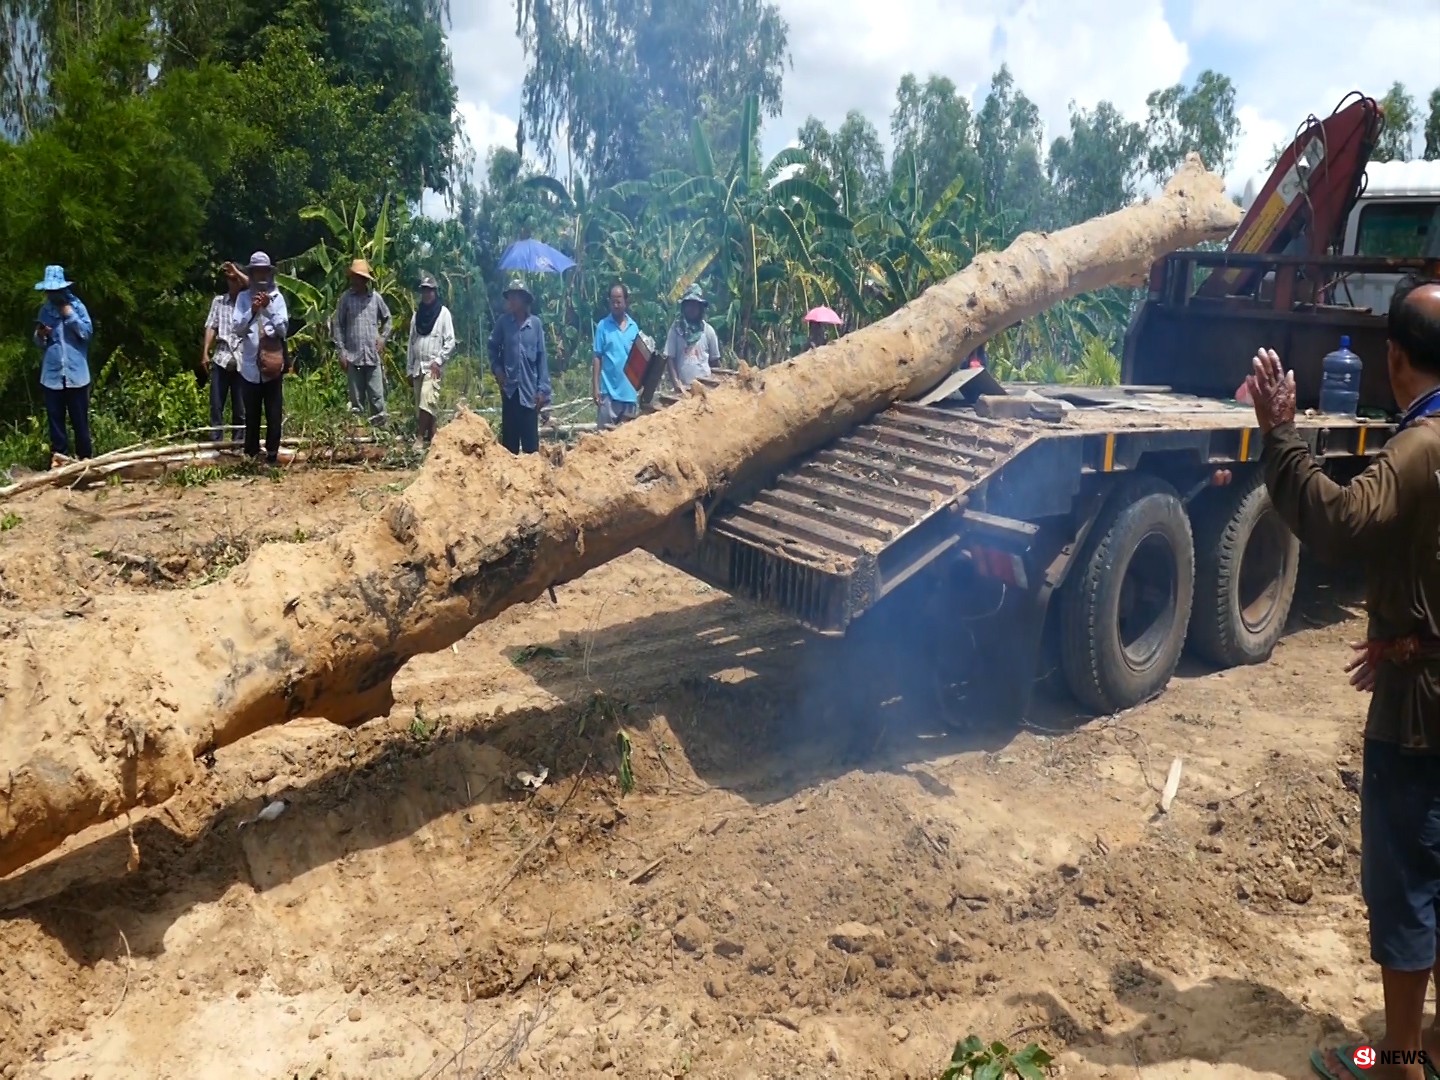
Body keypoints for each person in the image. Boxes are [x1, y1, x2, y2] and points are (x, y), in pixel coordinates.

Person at [1250, 279, 1440, 1080]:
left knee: (1404, 881)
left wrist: (1283, 437)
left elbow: (1336, 522)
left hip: (1420, 715)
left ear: (1393, 357)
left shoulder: (1420, 449)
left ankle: (1394, 1061)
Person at [232, 251, 290, 465]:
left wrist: (268, 309)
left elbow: (283, 330)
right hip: (249, 367)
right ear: (252, 273)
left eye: (265, 271)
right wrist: (253, 311)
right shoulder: (243, 298)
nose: (262, 275)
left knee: (274, 414)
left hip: (272, 367)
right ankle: (251, 455)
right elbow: (237, 328)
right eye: (258, 271)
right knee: (252, 415)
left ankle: (273, 455)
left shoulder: (278, 298)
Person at [32, 265, 94, 463]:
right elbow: (38, 342)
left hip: (76, 375)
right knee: (56, 422)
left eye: (55, 290)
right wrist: (41, 335)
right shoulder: (45, 311)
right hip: (53, 376)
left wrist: (69, 314)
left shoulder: (77, 307)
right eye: (49, 291)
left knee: (80, 422)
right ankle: (60, 460)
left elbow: (86, 333)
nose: (52, 294)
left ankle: (85, 460)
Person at [487, 278, 551, 455]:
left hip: (530, 394)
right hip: (510, 391)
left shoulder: (535, 325)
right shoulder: (503, 323)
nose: (512, 301)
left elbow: (541, 359)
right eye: (510, 297)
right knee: (509, 446)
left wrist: (543, 391)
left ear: (525, 300)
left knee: (531, 446)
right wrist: (498, 370)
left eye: (516, 296)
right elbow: (492, 347)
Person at [332, 258, 392, 425]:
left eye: (360, 277)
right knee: (356, 402)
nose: (356, 281)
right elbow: (338, 326)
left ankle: (379, 436)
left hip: (372, 357)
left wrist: (383, 338)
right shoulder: (345, 299)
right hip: (353, 356)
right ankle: (358, 439)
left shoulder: (375, 299)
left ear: (366, 280)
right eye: (354, 277)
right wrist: (341, 352)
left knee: (377, 398)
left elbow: (388, 319)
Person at [406, 274, 455, 447]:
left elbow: (450, 341)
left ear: (435, 292)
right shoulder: (416, 316)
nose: (426, 294)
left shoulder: (443, 314)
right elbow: (411, 344)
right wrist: (409, 370)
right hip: (418, 366)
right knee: (425, 406)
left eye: (429, 291)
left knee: (427, 400)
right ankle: (434, 438)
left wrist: (439, 361)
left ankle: (419, 437)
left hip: (433, 367)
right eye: (424, 291)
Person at [203, 261, 249, 442]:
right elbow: (210, 326)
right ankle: (216, 442)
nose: (232, 282)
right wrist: (205, 352)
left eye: (235, 279)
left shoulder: (248, 302)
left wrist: (237, 271)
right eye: (229, 279)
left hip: (242, 359)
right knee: (216, 404)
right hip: (222, 357)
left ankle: (239, 443)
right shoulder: (219, 302)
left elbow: (252, 284)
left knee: (241, 407)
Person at [593, 282, 641, 429]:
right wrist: (595, 387)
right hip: (608, 395)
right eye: (613, 301)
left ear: (626, 302)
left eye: (619, 301)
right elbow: (597, 358)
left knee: (626, 442)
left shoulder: (634, 328)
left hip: (629, 394)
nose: (616, 304)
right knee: (603, 441)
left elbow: (639, 359)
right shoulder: (603, 326)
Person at [664, 284, 721, 393]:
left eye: (695, 305)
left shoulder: (708, 331)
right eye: (689, 305)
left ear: (700, 308)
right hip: (684, 389)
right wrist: (677, 384)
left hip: (705, 389)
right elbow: (670, 359)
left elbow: (715, 362)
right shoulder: (676, 330)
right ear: (684, 307)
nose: (692, 309)